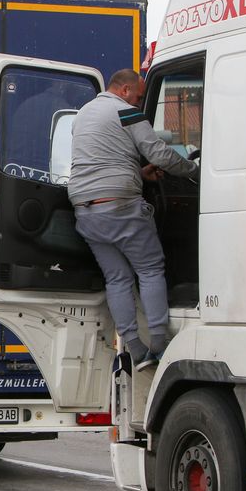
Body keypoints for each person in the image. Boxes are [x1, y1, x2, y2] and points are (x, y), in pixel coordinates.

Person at [67, 68, 199, 372]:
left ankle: (136, 351)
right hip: (121, 207)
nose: (140, 103)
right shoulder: (127, 112)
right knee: (150, 269)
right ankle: (158, 343)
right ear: (125, 90)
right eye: (139, 96)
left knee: (117, 278)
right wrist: (194, 171)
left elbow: (99, 161)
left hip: (85, 209)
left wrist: (139, 174)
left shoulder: (83, 115)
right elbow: (161, 154)